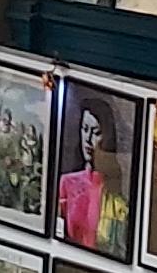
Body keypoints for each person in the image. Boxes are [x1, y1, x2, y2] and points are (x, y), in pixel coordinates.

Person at [56, 99, 131, 258]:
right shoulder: (67, 183)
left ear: (107, 137)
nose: (88, 139)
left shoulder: (118, 195)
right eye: (85, 129)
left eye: (96, 133)